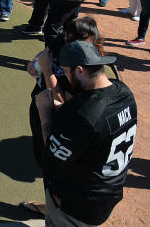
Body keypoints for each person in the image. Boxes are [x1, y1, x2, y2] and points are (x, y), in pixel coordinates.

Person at [35, 41, 137, 227]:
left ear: (80, 70)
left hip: (77, 204)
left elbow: (52, 151)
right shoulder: (124, 92)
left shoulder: (84, 115)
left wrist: (44, 112)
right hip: (107, 192)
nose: (66, 76)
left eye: (67, 72)